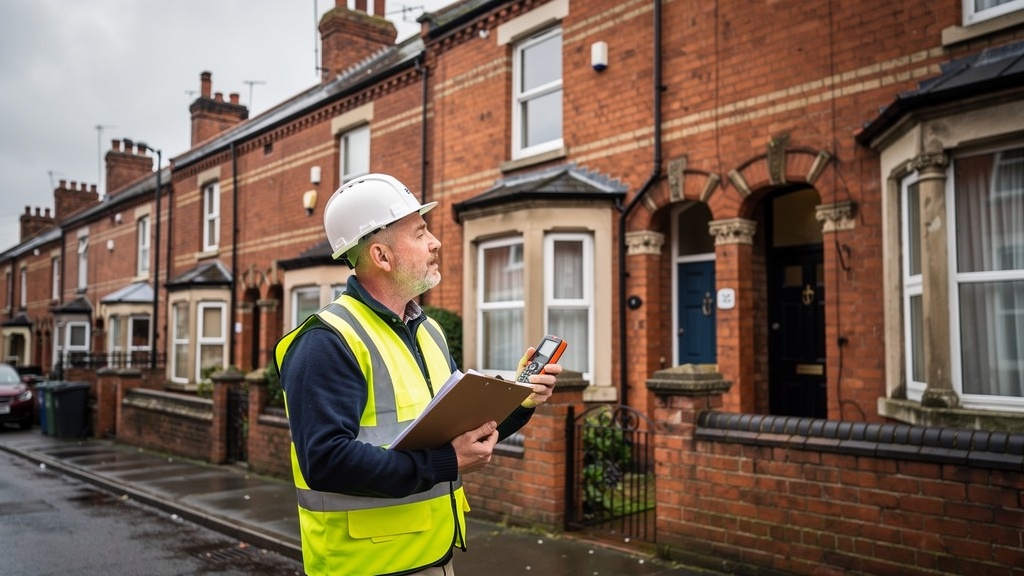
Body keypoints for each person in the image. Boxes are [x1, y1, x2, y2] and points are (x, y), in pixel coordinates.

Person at [274, 173, 562, 576]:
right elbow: (325, 460)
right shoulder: (326, 341)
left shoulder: (428, 329)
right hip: (367, 566)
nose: (435, 242)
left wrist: (522, 400)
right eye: (420, 232)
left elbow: (456, 433)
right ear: (382, 256)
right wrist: (446, 463)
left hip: (435, 557)